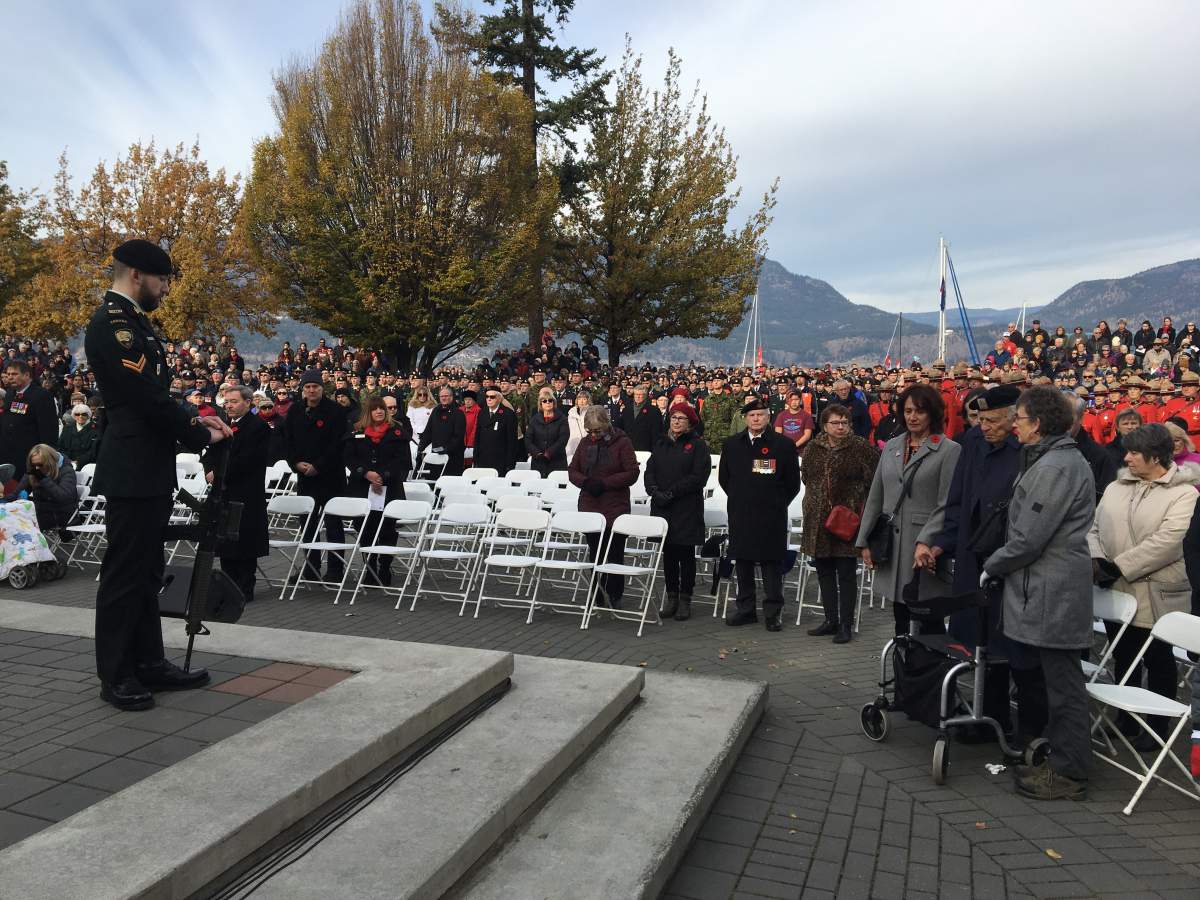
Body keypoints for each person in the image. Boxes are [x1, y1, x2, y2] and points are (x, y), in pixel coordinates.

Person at [84, 239, 231, 711]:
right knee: (125, 574)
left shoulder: (134, 324)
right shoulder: (114, 326)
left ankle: (148, 661)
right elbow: (144, 397)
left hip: (146, 463)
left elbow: (153, 393)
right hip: (131, 466)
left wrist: (193, 418)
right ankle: (117, 674)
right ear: (137, 276)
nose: (166, 289)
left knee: (147, 571)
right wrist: (195, 431)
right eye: (163, 280)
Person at [980, 386, 1095, 800]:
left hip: (1053, 591)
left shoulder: (1056, 467)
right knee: (1057, 686)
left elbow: (1029, 538)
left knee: (1063, 689)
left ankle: (1069, 772)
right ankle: (1062, 764)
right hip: (1046, 587)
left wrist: (992, 565)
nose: (1015, 425)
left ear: (1039, 424)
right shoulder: (1051, 460)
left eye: (1021, 419)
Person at [916, 386, 1048, 744]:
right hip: (973, 561)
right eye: (979, 419)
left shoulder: (1030, 451)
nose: (983, 426)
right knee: (978, 641)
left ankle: (1026, 733)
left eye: (991, 420)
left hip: (1012, 564)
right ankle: (987, 718)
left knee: (1014, 649)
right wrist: (940, 544)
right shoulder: (973, 442)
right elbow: (958, 501)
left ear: (1014, 417)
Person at [1089, 424, 1199, 750]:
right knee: (1122, 655)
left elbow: (1169, 541)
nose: (1127, 458)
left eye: (1134, 452)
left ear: (1156, 456)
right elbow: (1094, 527)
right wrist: (1098, 562)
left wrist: (1118, 565)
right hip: (1115, 587)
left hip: (1155, 590)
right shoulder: (1117, 486)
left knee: (1156, 657)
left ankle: (1156, 728)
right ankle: (1125, 718)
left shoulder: (1184, 493)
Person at [857, 383, 961, 635]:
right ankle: (905, 669)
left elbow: (946, 502)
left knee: (926, 618)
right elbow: (876, 495)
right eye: (908, 410)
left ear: (933, 414)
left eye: (920, 411)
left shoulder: (949, 450)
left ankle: (930, 671)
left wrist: (927, 539)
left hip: (924, 546)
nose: (913, 417)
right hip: (892, 544)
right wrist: (864, 540)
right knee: (900, 615)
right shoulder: (892, 446)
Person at [799, 404, 879, 642]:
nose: (841, 427)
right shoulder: (814, 447)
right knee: (823, 571)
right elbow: (806, 476)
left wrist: (855, 502)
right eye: (836, 423)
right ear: (825, 425)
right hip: (817, 519)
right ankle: (830, 619)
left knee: (845, 574)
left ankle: (845, 624)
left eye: (845, 422)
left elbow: (874, 481)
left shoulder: (860, 447)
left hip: (846, 520)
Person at [719, 397, 801, 632]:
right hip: (741, 513)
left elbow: (792, 483)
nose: (756, 419)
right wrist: (740, 498)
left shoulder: (783, 445)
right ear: (746, 418)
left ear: (768, 417)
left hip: (771, 516)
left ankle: (773, 613)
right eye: (752, 415)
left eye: (761, 415)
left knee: (771, 565)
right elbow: (725, 479)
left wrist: (776, 504)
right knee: (742, 562)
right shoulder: (732, 444)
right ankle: (746, 609)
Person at [644, 402, 711, 621]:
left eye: (681, 418)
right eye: (674, 417)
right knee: (669, 555)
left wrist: (672, 493)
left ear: (690, 422)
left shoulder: (697, 445)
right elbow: (650, 470)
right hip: (662, 506)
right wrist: (654, 491)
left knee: (685, 555)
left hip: (685, 506)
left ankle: (685, 598)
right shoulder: (661, 443)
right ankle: (671, 597)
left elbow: (698, 477)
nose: (676, 421)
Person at [568, 406, 639, 608]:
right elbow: (573, 470)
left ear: (606, 426)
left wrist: (605, 483)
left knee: (614, 551)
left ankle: (615, 592)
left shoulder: (622, 443)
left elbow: (631, 473)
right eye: (590, 431)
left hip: (615, 505)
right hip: (591, 504)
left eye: (597, 431)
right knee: (595, 551)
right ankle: (597, 591)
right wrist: (585, 482)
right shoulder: (584, 443)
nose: (594, 435)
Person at [283, 369, 349, 582]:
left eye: (315, 387)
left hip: (330, 475)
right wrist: (296, 463)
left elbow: (338, 444)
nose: (311, 390)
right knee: (307, 523)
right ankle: (311, 568)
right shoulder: (295, 410)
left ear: (323, 388)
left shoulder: (336, 411)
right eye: (308, 387)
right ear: (303, 390)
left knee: (333, 524)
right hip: (305, 476)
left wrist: (318, 465)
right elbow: (287, 440)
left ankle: (335, 570)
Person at [206, 386, 270, 604]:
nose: (229, 405)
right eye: (227, 401)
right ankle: (227, 585)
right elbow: (210, 451)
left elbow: (249, 460)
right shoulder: (223, 425)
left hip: (246, 494)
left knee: (244, 543)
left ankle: (244, 589)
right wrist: (209, 469)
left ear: (248, 402)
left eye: (234, 401)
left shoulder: (257, 427)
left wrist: (221, 472)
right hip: (224, 493)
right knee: (225, 542)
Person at [345, 395, 412, 586]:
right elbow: (349, 457)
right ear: (369, 411)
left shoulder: (396, 431)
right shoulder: (357, 430)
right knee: (365, 528)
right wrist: (366, 474)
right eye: (375, 408)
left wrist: (382, 475)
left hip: (389, 487)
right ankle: (370, 565)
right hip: (362, 486)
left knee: (387, 529)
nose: (379, 411)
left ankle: (384, 566)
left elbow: (403, 460)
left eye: (382, 408)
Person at [0, 359, 59, 480]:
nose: (10, 377)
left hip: (29, 457)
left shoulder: (42, 396)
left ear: (26, 375)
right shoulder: (10, 394)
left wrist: (44, 457)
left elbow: (49, 431)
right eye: (8, 374)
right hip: (7, 455)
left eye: (14, 374)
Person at [3, 444, 79, 532]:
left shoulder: (66, 471)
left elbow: (63, 497)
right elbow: (15, 494)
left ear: (49, 461)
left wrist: (43, 479)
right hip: (41, 512)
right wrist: (2, 501)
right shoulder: (35, 470)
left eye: (40, 464)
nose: (37, 468)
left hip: (62, 514)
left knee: (18, 522)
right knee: (9, 517)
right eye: (33, 464)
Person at [419, 386, 467, 477]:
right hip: (437, 453)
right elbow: (428, 431)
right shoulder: (436, 411)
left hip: (452, 456)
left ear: (451, 397)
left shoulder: (458, 413)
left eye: (446, 396)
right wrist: (421, 446)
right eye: (442, 396)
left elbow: (458, 436)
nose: (444, 398)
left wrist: (446, 449)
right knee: (434, 480)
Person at [525, 387, 569, 477]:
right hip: (538, 461)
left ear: (554, 402)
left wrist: (549, 452)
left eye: (550, 400)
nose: (548, 402)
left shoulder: (562, 419)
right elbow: (528, 439)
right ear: (541, 404)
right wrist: (537, 453)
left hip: (557, 460)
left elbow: (563, 439)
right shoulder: (534, 419)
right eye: (544, 401)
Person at [474, 387, 519, 474]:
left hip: (500, 460)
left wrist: (510, 462)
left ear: (499, 398)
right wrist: (476, 457)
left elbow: (512, 440)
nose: (489, 399)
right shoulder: (482, 413)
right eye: (487, 397)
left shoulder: (508, 414)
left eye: (492, 397)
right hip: (483, 459)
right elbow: (478, 436)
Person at [59, 403, 100, 469]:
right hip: (67, 463)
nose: (80, 416)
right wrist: (67, 460)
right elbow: (60, 447)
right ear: (74, 416)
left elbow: (94, 451)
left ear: (88, 415)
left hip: (86, 466)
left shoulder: (96, 430)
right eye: (77, 414)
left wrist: (78, 462)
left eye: (84, 414)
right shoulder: (67, 428)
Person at [565, 389, 591, 462]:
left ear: (588, 400)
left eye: (584, 399)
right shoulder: (571, 413)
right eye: (579, 399)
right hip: (572, 445)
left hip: (587, 444)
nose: (581, 401)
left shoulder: (591, 412)